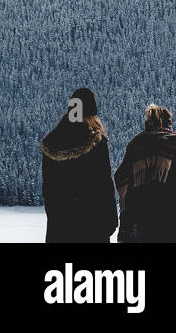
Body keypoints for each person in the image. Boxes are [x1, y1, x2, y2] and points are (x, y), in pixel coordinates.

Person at [40, 87, 118, 244]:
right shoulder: (95, 141)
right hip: (92, 227)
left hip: (59, 229)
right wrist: (110, 222)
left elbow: (48, 190)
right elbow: (103, 185)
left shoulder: (51, 143)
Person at [114, 104, 176, 244]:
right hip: (172, 228)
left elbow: (123, 185)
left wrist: (124, 229)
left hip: (137, 226)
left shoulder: (135, 147)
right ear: (168, 124)